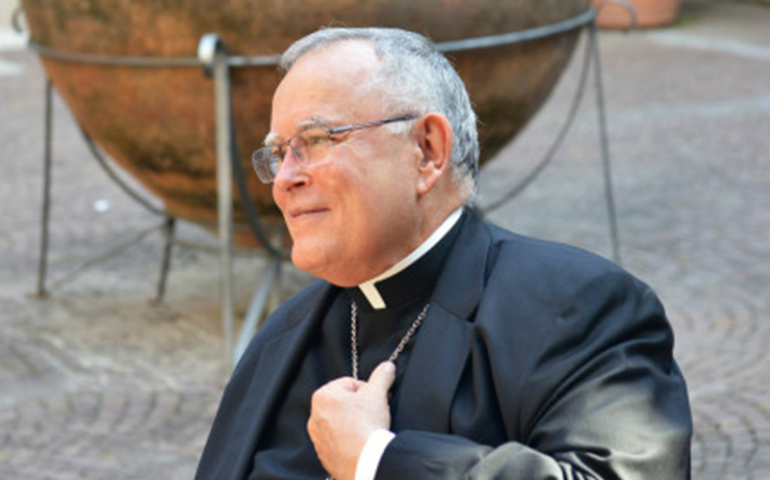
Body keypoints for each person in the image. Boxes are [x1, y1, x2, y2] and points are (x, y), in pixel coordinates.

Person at [195, 27, 692, 480]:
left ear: (427, 151)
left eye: (317, 140)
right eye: (280, 153)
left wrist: (376, 459)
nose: (285, 180)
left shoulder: (578, 307)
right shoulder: (283, 338)